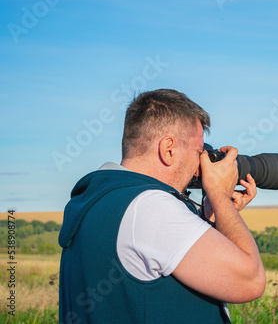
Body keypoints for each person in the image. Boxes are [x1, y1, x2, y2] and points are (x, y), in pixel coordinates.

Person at [58, 89, 266, 323]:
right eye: (199, 152)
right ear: (168, 149)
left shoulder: (98, 199)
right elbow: (251, 280)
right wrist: (219, 194)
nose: (201, 166)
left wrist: (207, 217)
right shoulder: (150, 206)